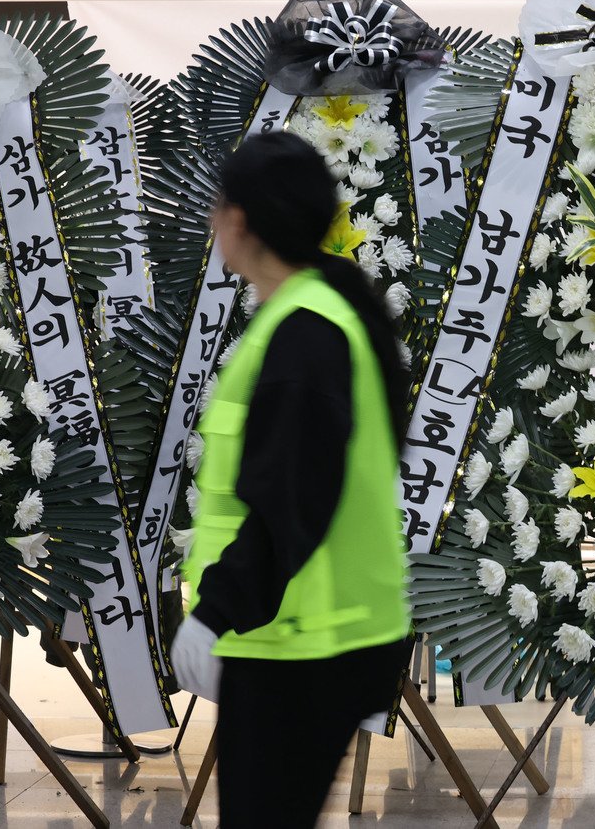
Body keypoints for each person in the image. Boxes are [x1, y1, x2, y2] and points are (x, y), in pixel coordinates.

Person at [170, 131, 412, 828]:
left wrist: (217, 608)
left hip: (304, 639)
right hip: (306, 633)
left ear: (239, 220)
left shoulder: (306, 332)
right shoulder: (318, 309)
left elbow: (292, 496)